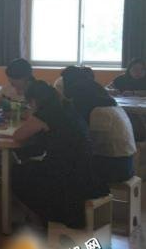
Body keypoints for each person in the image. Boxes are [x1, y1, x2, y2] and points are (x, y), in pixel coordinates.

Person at [11, 80, 108, 228]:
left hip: (64, 175)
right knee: (29, 166)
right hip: (87, 172)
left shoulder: (45, 114)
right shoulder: (68, 109)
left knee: (16, 173)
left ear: (34, 101)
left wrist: (31, 115)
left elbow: (18, 136)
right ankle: (38, 218)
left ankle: (40, 219)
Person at [58, 66, 136, 184]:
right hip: (126, 164)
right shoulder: (104, 100)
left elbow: (79, 139)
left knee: (62, 167)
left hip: (114, 167)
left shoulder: (92, 109)